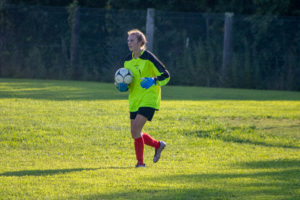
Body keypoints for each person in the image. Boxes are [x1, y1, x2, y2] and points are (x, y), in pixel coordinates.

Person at [115, 29, 170, 167]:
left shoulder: (148, 57)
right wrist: (123, 85)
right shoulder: (127, 60)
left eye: (132, 40)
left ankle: (140, 163)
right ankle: (158, 145)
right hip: (134, 100)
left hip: (149, 98)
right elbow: (128, 79)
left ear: (140, 42)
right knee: (134, 133)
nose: (129, 43)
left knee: (136, 131)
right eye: (128, 40)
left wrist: (153, 80)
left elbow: (166, 75)